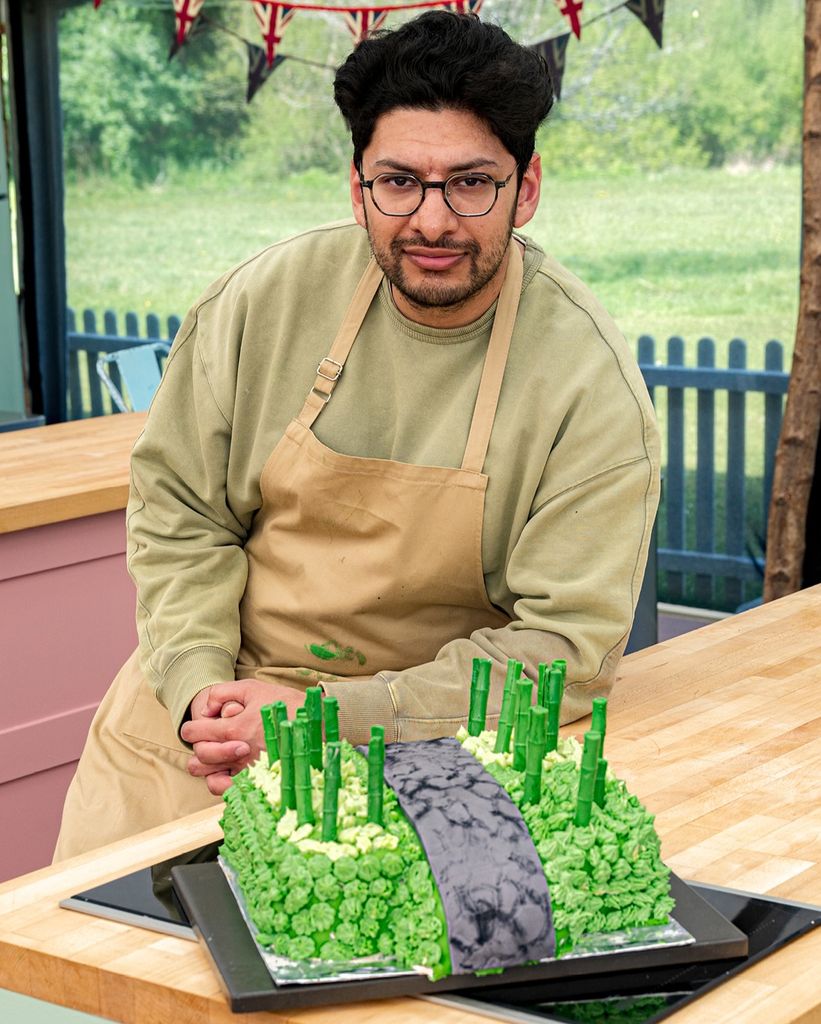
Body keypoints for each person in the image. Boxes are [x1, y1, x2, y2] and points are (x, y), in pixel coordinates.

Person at [54, 11, 659, 859]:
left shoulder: (586, 382)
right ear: (356, 185)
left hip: (418, 751)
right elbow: (179, 511)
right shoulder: (260, 302)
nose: (433, 220)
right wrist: (201, 687)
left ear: (526, 187)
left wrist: (324, 720)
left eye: (471, 182)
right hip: (197, 733)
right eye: (400, 181)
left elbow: (564, 650)